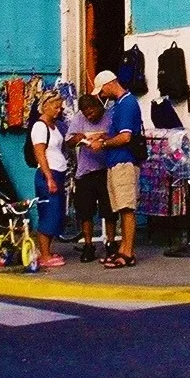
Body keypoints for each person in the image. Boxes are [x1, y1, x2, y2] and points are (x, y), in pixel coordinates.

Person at [85, 68, 143, 268]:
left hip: (124, 161)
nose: (102, 96)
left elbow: (126, 136)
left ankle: (128, 253)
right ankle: (122, 249)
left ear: (110, 84)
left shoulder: (127, 104)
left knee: (127, 208)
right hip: (116, 161)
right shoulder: (119, 105)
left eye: (102, 91)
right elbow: (118, 133)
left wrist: (103, 144)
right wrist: (102, 136)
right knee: (120, 207)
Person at [66, 93, 112, 262]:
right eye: (86, 114)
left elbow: (116, 137)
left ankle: (110, 244)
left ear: (99, 107)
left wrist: (102, 137)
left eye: (92, 112)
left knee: (109, 210)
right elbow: (69, 141)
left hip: (107, 169)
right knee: (86, 211)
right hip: (85, 171)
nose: (89, 116)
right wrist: (77, 138)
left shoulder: (110, 116)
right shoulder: (79, 119)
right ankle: (88, 245)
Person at [27, 93, 69, 268]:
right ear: (45, 106)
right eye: (55, 107)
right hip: (47, 175)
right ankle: (44, 255)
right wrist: (49, 178)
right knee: (48, 215)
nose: (59, 110)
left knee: (56, 214)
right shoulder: (39, 126)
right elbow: (40, 153)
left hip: (58, 173)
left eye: (60, 107)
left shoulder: (55, 126)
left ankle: (48, 250)